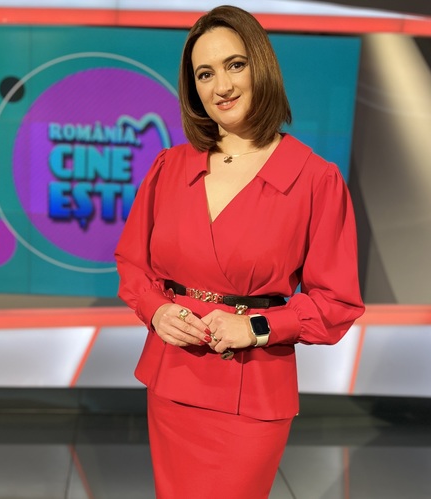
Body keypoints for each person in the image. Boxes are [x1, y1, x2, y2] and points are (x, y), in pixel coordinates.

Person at [114, 5, 365, 498]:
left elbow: (337, 303)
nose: (222, 86)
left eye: (235, 65)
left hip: (253, 391)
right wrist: (156, 310)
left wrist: (256, 327)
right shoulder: (169, 166)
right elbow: (133, 263)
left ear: (261, 66)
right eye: (205, 74)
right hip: (173, 378)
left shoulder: (315, 179)